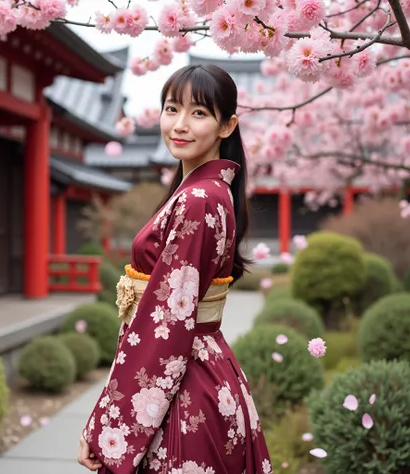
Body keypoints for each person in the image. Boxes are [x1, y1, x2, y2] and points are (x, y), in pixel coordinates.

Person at [77, 64, 273, 474]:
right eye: (172, 109)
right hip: (199, 370)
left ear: (227, 125)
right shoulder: (207, 193)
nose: (180, 125)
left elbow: (164, 321)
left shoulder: (198, 201)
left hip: (184, 383)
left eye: (199, 113)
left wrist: (110, 426)